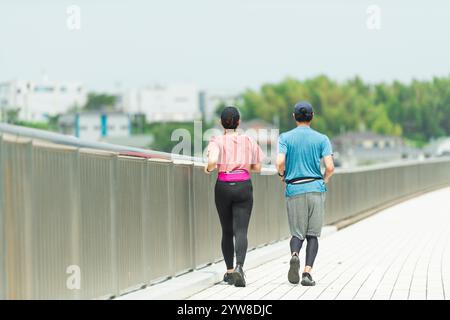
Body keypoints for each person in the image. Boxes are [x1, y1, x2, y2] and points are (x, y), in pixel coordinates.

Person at [276, 101, 335, 286]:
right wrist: (324, 179)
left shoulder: (285, 137)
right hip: (315, 188)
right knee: (313, 235)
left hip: (294, 188)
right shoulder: (322, 139)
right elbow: (330, 167)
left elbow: (279, 162)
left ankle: (294, 255)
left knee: (297, 233)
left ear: (294, 116)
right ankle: (307, 273)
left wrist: (281, 174)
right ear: (312, 116)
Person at [205, 106, 265, 287]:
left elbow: (213, 161)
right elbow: (258, 167)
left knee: (227, 230)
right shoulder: (248, 140)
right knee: (241, 230)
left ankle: (230, 272)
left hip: (223, 185)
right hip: (243, 186)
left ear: (221, 123)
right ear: (238, 122)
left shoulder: (216, 140)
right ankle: (240, 267)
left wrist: (209, 168)